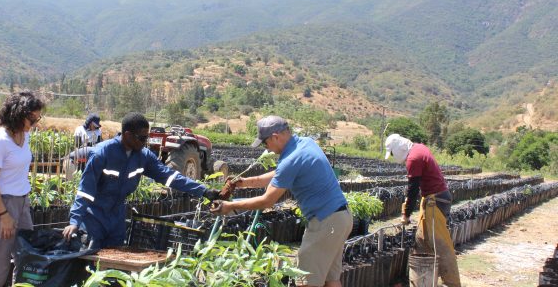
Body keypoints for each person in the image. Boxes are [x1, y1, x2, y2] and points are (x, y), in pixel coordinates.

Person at [210, 116, 352, 287]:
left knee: (305, 280)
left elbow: (266, 201)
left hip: (325, 222)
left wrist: (230, 206)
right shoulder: (305, 143)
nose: (266, 148)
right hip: (341, 218)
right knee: (331, 279)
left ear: (275, 137)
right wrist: (246, 182)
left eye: (265, 143)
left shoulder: (291, 160)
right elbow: (281, 174)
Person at [62, 112, 220, 248]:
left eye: (147, 137)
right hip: (94, 219)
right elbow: (85, 191)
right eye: (142, 138)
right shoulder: (102, 154)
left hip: (117, 218)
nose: (145, 142)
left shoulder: (143, 157)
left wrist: (203, 191)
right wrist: (74, 221)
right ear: (127, 135)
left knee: (115, 268)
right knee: (90, 268)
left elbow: (170, 176)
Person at [0, 91, 45, 287]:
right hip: (2, 204)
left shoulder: (25, 136)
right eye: (32, 118)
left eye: (37, 117)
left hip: (22, 203)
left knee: (25, 258)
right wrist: (4, 215)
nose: (35, 123)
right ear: (18, 114)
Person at [385, 133, 461, 287]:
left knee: (440, 244)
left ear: (398, 149)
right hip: (432, 199)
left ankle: (452, 283)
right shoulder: (419, 147)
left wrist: (406, 214)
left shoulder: (414, 158)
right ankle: (423, 279)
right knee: (422, 240)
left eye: (393, 153)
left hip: (436, 201)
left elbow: (412, 190)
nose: (393, 156)